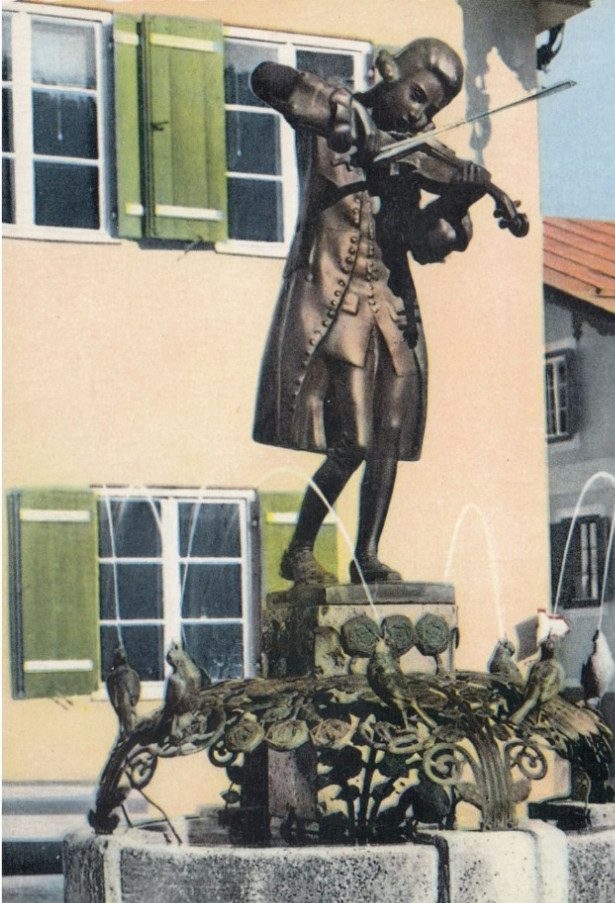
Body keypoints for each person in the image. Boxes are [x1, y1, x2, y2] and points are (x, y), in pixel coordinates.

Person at [251, 38, 489, 586]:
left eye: (431, 110)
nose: (420, 114)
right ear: (387, 72)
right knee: (352, 441)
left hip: (391, 306)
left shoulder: (407, 159)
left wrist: (458, 199)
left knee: (392, 433)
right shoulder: (332, 123)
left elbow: (421, 241)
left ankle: (368, 554)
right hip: (338, 305)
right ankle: (301, 549)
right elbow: (266, 77)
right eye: (416, 96)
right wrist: (345, 111)